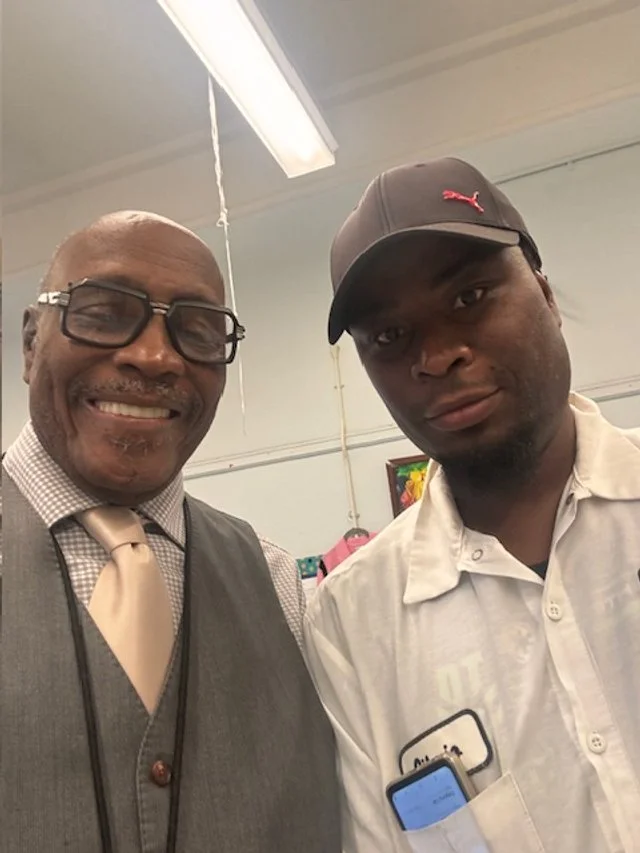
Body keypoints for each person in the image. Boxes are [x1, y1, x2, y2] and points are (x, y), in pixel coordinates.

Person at [303, 158, 640, 852]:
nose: (436, 354)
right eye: (389, 337)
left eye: (470, 296)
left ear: (544, 294)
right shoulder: (352, 620)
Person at [2, 211, 342, 853]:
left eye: (198, 331)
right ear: (29, 342)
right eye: (102, 312)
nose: (156, 356)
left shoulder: (281, 589)